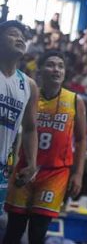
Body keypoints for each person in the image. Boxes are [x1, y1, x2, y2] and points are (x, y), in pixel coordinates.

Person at [3, 51, 87, 244]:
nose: (56, 69)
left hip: (55, 173)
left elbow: (82, 140)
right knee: (14, 229)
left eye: (60, 66)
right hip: (25, 167)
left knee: (38, 231)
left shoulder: (75, 100)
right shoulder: (29, 95)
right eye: (50, 65)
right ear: (40, 70)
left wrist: (79, 173)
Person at [0, 21, 39, 214]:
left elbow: (30, 128)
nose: (20, 39)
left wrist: (32, 163)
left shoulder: (29, 85)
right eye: (13, 34)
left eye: (23, 37)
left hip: (1, 169)